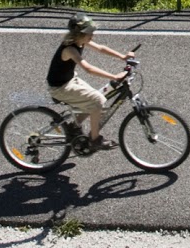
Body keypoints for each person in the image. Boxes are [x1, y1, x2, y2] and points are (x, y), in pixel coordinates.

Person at [47, 13, 134, 151]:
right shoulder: (69, 49)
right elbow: (88, 68)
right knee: (97, 100)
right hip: (60, 88)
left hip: (69, 80)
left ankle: (73, 126)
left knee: (95, 97)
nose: (92, 36)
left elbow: (100, 48)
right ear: (78, 34)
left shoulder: (80, 40)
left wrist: (122, 56)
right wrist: (114, 76)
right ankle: (95, 139)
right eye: (89, 33)